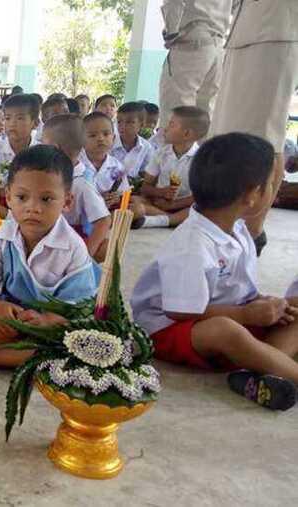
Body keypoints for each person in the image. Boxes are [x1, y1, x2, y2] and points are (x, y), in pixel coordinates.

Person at [131, 132, 298, 411]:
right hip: (169, 329)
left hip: (229, 314)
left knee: (293, 308)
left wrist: (264, 304)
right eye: (271, 184)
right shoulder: (192, 244)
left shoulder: (238, 229)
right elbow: (180, 311)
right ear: (252, 195)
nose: (274, 190)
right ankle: (281, 368)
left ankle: (261, 374)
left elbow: (240, 290)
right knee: (225, 330)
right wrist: (247, 315)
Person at [0, 145, 99, 372]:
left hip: (50, 325)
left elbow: (78, 308)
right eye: (22, 197)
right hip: (9, 320)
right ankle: (19, 355)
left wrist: (46, 321)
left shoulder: (73, 247)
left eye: (46, 199)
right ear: (8, 198)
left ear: (66, 201)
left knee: (73, 343)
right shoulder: (1, 237)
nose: (33, 208)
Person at [208, 0, 298, 254]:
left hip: (276, 30)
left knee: (264, 137)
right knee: (228, 135)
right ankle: (231, 225)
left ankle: (252, 230)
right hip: (244, 30)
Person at [42, 114, 111, 261]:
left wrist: (86, 256)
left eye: (43, 144)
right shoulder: (49, 174)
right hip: (46, 234)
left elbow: (103, 220)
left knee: (107, 248)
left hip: (70, 241)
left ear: (54, 148)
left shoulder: (81, 183)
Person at [157, 0, 232, 130]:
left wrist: (171, 31)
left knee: (177, 110)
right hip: (218, 45)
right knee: (206, 113)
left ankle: (175, 144)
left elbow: (173, 3)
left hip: (191, 41)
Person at [140, 105, 208, 229]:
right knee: (135, 202)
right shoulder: (161, 153)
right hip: (158, 203)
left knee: (203, 209)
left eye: (171, 124)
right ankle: (170, 219)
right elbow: (145, 187)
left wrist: (173, 205)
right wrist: (161, 192)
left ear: (186, 134)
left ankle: (164, 220)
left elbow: (201, 197)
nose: (165, 129)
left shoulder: (201, 160)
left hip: (184, 208)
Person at [111, 102, 156, 179]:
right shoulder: (110, 143)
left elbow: (145, 173)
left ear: (141, 124)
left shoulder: (146, 147)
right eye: (119, 121)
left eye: (129, 122)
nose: (123, 126)